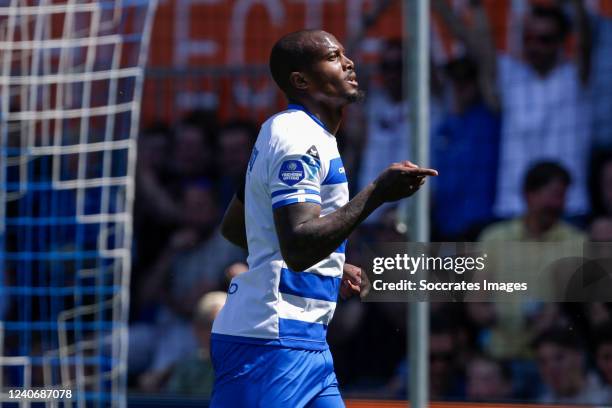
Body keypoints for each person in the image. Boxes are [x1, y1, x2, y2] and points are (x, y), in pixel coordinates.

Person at [210, 29, 437, 407]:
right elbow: (298, 246)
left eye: (345, 55)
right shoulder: (297, 136)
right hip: (269, 342)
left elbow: (237, 226)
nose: (348, 63)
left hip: (307, 342)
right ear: (300, 80)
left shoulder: (302, 134)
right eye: (333, 57)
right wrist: (377, 193)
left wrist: (330, 263)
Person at [433, 0, 592, 219]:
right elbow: (475, 45)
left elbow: (585, 40)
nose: (534, 46)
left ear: (562, 42)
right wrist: (474, 8)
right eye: (529, 38)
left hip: (567, 211)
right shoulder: (512, 77)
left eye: (544, 39)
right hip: (514, 211)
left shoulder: (575, 79)